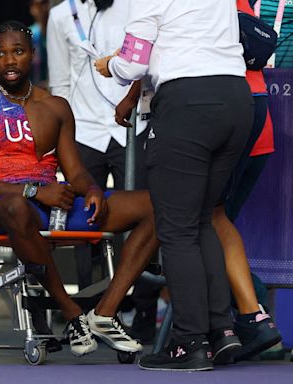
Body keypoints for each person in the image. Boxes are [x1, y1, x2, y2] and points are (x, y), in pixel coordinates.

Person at [0, 20, 159, 357]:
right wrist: (33, 192)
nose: (9, 61)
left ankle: (105, 313)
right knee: (16, 207)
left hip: (55, 206)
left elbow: (75, 170)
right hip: (9, 207)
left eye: (18, 52)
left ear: (32, 55)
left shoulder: (55, 106)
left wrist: (92, 188)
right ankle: (71, 312)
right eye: (0, 54)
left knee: (158, 205)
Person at [95, 0, 254, 371]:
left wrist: (110, 65)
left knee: (177, 230)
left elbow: (134, 63)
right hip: (235, 98)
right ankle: (221, 332)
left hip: (187, 104)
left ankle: (190, 343)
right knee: (200, 220)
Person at [47, 1, 155, 318]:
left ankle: (144, 312)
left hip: (132, 127)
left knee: (145, 217)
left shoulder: (136, 7)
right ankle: (85, 312)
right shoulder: (60, 16)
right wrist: (62, 137)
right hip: (82, 132)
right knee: (84, 225)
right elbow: (60, 83)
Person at [210, 0, 282, 363]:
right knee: (212, 220)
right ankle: (247, 319)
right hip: (254, 121)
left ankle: (252, 317)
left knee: (208, 221)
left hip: (230, 117)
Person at [28, 0, 50, 86]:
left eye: (45, 3)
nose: (43, 9)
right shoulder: (29, 35)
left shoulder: (59, 30)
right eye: (39, 4)